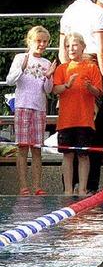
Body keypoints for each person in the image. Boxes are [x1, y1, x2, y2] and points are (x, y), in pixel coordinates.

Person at [59, 0, 103, 195]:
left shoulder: (68, 12)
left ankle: (69, 187)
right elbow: (101, 48)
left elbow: (63, 51)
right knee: (95, 134)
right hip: (91, 67)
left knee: (70, 137)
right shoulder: (98, 12)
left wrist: (66, 71)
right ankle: (89, 186)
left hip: (70, 69)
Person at [5, 26, 56, 196]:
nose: (41, 44)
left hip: (39, 108)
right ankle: (23, 186)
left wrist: (49, 76)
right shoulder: (20, 58)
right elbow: (10, 80)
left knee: (36, 149)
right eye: (38, 41)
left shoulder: (47, 63)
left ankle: (37, 186)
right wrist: (22, 67)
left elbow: (48, 90)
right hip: (22, 107)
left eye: (45, 42)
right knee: (22, 148)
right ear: (30, 41)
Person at [52, 33, 103, 196]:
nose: (71, 49)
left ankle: (82, 188)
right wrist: (67, 85)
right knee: (67, 155)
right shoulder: (62, 68)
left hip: (85, 119)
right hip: (66, 120)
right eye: (68, 46)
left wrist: (90, 88)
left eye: (74, 45)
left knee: (83, 155)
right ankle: (67, 189)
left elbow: (99, 92)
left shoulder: (91, 67)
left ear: (83, 47)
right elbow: (55, 89)